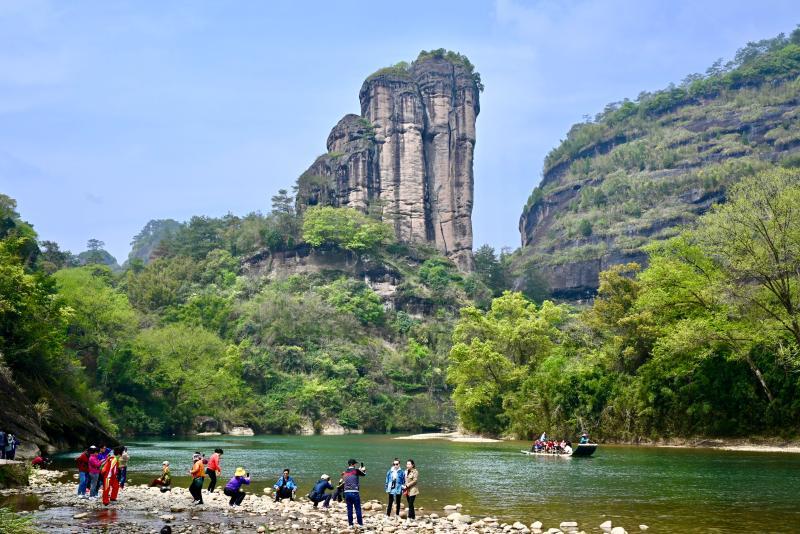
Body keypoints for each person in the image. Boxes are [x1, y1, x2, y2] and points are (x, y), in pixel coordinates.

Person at [343, 459, 366, 528]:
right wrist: (364, 470)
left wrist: (359, 470)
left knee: (349, 509)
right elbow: (364, 475)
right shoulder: (356, 471)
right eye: (355, 464)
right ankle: (360, 524)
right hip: (354, 492)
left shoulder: (345, 472)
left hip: (346, 492)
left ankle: (350, 524)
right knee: (357, 508)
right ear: (353, 464)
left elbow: (351, 474)